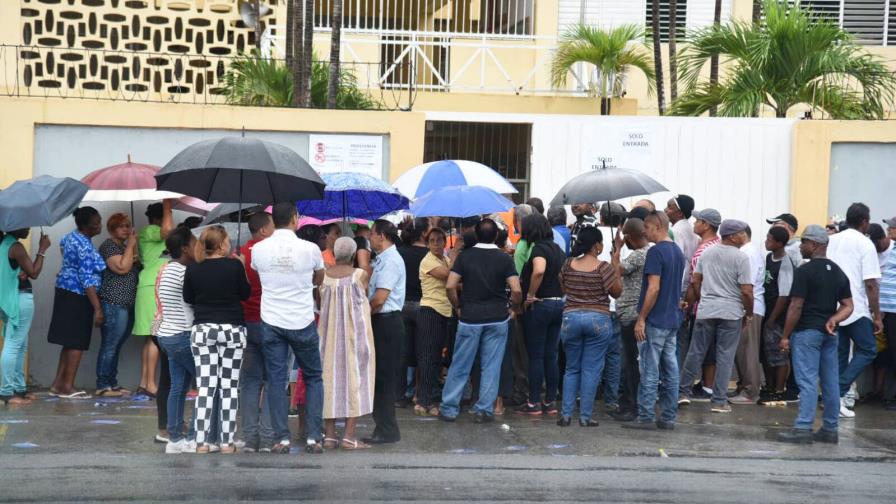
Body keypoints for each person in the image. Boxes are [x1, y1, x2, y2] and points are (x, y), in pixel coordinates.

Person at [252, 203, 325, 454]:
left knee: (276, 379)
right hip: (302, 319)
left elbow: (257, 272)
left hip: (271, 320)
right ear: (295, 219)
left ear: (274, 220)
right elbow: (320, 275)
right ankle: (314, 437)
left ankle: (281, 438)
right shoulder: (311, 248)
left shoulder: (258, 249)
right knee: (314, 377)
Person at [777, 225, 853, 445]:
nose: (801, 246)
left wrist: (785, 336)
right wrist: (834, 319)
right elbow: (848, 305)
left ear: (815, 244)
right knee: (830, 382)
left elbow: (796, 306)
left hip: (807, 333)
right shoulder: (838, 271)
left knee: (807, 381)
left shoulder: (805, 271)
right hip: (829, 334)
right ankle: (830, 429)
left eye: (804, 242)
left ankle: (803, 428)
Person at [440, 219, 521, 424]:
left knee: (460, 364)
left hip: (470, 316)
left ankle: (449, 408)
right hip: (497, 317)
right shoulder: (504, 258)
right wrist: (513, 307)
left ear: (476, 234)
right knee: (491, 365)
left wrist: (457, 306)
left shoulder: (465, 257)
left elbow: (450, 285)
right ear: (495, 236)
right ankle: (484, 409)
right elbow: (517, 289)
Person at [183, 225, 250, 454]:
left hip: (203, 330)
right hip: (232, 329)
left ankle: (201, 442)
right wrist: (241, 266)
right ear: (222, 244)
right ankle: (226, 442)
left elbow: (188, 297)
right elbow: (245, 294)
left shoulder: (194, 268)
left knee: (206, 387)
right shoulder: (234, 266)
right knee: (229, 387)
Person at [680, 219, 753, 413]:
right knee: (725, 356)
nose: (744, 236)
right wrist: (749, 313)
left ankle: (682, 393)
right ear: (732, 235)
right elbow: (746, 291)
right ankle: (719, 401)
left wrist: (701, 298)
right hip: (731, 312)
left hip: (706, 310)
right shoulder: (741, 258)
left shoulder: (707, 253)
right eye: (741, 233)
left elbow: (695, 281)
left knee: (696, 352)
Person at [622, 211, 685, 430]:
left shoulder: (656, 253)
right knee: (671, 370)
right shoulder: (677, 252)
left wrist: (641, 318)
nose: (645, 233)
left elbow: (654, 287)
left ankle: (646, 415)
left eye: (647, 228)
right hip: (672, 318)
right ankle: (668, 416)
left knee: (649, 368)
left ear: (657, 226)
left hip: (656, 319)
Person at [556, 226, 621, 427]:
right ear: (596, 246)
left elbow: (563, 287)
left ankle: (566, 415)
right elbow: (617, 293)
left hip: (571, 318)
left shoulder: (568, 264)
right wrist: (615, 262)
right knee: (591, 370)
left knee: (572, 368)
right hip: (598, 320)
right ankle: (585, 417)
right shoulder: (604, 268)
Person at [319, 237, 376, 450]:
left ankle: (330, 435)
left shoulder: (324, 276)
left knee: (329, 379)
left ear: (334, 254)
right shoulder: (360, 275)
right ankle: (349, 436)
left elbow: (319, 300)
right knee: (357, 379)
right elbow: (367, 293)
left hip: (329, 335)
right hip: (356, 335)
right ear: (353, 255)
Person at [826, 203, 882, 419]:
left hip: (833, 308)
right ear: (865, 222)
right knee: (868, 349)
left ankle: (836, 401)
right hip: (856, 308)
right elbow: (871, 284)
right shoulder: (865, 244)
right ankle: (838, 391)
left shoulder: (832, 240)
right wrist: (877, 316)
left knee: (839, 355)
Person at [47, 207, 105, 399]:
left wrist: (68, 270)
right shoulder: (84, 247)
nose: (99, 225)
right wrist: (97, 308)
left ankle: (58, 384)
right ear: (85, 225)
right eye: (96, 223)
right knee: (77, 342)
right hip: (79, 295)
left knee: (68, 341)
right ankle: (68, 386)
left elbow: (63, 248)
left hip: (65, 290)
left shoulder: (71, 237)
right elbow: (86, 279)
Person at [517, 214, 566, 416]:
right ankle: (550, 401)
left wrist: (530, 295)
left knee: (536, 356)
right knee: (551, 355)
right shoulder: (558, 249)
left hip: (540, 306)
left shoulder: (538, 249)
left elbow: (538, 271)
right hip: (557, 305)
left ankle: (533, 402)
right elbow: (563, 275)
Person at [156, 227, 198, 454]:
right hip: (182, 335)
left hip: (167, 335)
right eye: (194, 244)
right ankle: (192, 436)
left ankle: (174, 439)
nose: (198, 248)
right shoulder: (185, 273)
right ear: (184, 249)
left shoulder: (165, 269)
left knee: (178, 387)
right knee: (207, 383)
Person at [364, 220, 407, 443]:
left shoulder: (391, 260)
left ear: (382, 235)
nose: (370, 238)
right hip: (381, 322)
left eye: (372, 234)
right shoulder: (382, 259)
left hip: (387, 322)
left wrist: (363, 316)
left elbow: (380, 298)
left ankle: (387, 429)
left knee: (384, 378)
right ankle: (383, 426)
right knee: (379, 377)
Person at [239, 212, 275, 453]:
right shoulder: (271, 252)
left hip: (247, 321)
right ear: (262, 230)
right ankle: (268, 436)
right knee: (273, 380)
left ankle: (250, 438)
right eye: (272, 226)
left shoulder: (241, 254)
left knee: (250, 382)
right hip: (270, 320)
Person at [0, 228, 50, 405]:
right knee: (14, 344)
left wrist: (21, 271)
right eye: (25, 224)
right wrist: (42, 249)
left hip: (8, 300)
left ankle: (18, 389)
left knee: (21, 344)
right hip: (19, 298)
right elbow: (35, 272)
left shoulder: (4, 244)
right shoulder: (16, 247)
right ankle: (6, 393)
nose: (29, 228)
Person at [610, 218, 651, 422]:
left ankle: (632, 405)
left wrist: (616, 249)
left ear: (628, 237)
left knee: (630, 364)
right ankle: (630, 403)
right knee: (632, 363)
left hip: (630, 315)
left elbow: (615, 271)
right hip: (633, 314)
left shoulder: (638, 255)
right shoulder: (649, 252)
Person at [95, 213, 139, 397]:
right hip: (113, 302)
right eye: (121, 226)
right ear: (112, 228)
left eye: (128, 226)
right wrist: (130, 247)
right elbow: (121, 268)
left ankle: (112, 383)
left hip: (127, 303)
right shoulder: (109, 246)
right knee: (110, 344)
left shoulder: (123, 247)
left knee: (116, 344)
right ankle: (103, 385)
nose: (126, 229)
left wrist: (132, 253)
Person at [133, 201, 174, 399]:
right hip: (152, 288)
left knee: (152, 337)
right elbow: (167, 231)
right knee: (155, 336)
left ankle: (144, 382)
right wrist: (168, 206)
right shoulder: (150, 230)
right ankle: (150, 384)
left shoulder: (152, 234)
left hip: (152, 288)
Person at [681, 208, 722, 400]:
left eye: (697, 221)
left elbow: (696, 280)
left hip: (703, 304)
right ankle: (707, 387)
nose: (694, 224)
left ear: (706, 225)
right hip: (717, 303)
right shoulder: (717, 244)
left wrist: (691, 302)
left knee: (699, 349)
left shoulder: (703, 251)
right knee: (710, 347)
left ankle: (695, 388)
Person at [415, 227, 452, 417]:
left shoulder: (444, 259)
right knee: (428, 358)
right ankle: (424, 401)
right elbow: (449, 276)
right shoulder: (428, 261)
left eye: (440, 240)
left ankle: (425, 398)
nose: (436, 244)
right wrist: (456, 253)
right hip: (431, 310)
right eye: (432, 241)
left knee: (437, 359)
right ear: (428, 243)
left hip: (444, 311)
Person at [761, 226, 797, 403]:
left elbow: (784, 295)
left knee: (779, 355)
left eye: (769, 239)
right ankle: (769, 386)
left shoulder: (785, 264)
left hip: (777, 317)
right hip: (766, 312)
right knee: (767, 354)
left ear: (780, 243)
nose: (766, 241)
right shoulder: (769, 258)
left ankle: (779, 389)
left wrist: (772, 319)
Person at [397, 217, 429, 408]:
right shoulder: (429, 256)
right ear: (424, 233)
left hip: (401, 305)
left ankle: (399, 396)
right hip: (423, 304)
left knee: (402, 352)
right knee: (422, 351)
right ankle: (418, 393)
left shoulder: (399, 253)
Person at [731, 226, 766, 404]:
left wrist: (748, 312)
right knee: (742, 350)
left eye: (732, 234)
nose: (729, 238)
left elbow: (747, 287)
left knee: (747, 351)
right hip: (749, 307)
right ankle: (744, 386)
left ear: (742, 235)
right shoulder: (747, 251)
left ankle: (750, 391)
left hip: (750, 307)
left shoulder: (747, 253)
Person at [665, 195, 698, 268]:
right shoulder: (688, 227)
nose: (665, 209)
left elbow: (675, 259)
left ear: (680, 213)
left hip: (680, 276)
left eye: (669, 207)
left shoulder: (676, 231)